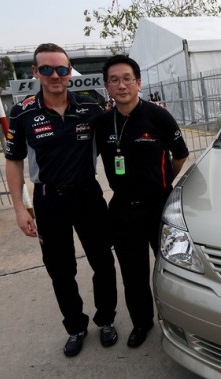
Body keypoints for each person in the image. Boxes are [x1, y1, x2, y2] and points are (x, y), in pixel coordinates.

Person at [5, 43, 119, 357]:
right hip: (47, 200)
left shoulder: (90, 108)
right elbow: (13, 162)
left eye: (61, 69)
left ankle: (106, 320)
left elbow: (119, 131)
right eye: (47, 69)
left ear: (69, 72)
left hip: (87, 195)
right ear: (35, 72)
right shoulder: (23, 112)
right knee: (60, 269)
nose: (55, 76)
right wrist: (19, 208)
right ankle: (76, 327)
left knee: (103, 262)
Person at [93, 55, 189, 348]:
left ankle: (178, 323)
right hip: (122, 209)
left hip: (159, 207)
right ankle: (142, 323)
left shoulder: (158, 116)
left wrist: (162, 183)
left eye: (127, 79)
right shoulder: (101, 123)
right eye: (114, 80)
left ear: (138, 82)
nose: (121, 85)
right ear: (107, 86)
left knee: (172, 270)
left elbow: (181, 155)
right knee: (133, 275)